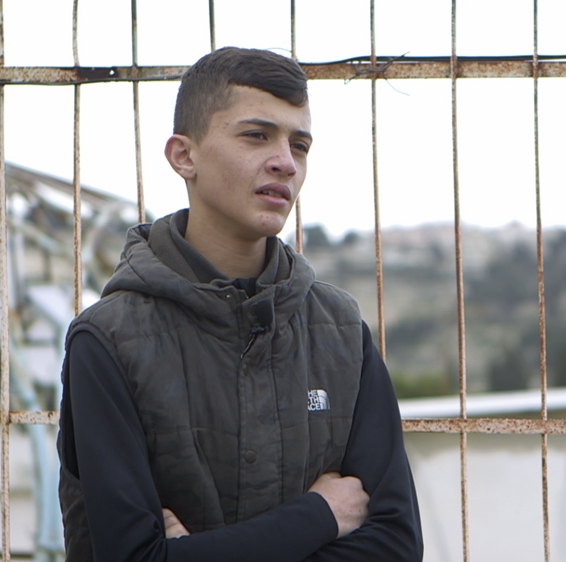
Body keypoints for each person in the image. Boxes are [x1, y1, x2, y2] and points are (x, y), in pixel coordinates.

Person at [56, 47, 423, 561]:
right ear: (184, 156)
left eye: (300, 144)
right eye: (256, 135)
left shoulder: (340, 332)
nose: (285, 162)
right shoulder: (110, 340)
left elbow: (396, 547)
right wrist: (319, 516)